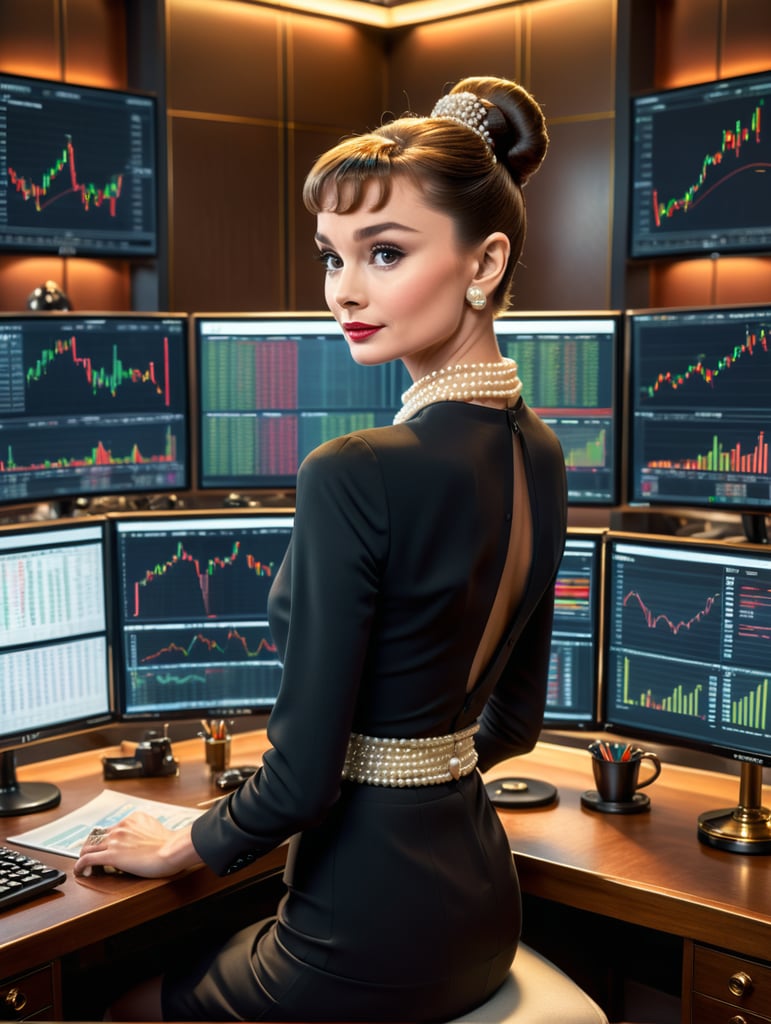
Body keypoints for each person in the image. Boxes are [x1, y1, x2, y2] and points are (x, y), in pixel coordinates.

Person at [74, 75, 567, 1022]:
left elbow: (299, 781)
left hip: (364, 928)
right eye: (331, 256)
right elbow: (513, 728)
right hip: (477, 909)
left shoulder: (355, 468)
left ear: (485, 261)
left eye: (384, 253)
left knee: (117, 1000)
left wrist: (183, 842)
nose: (344, 289)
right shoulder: (540, 450)